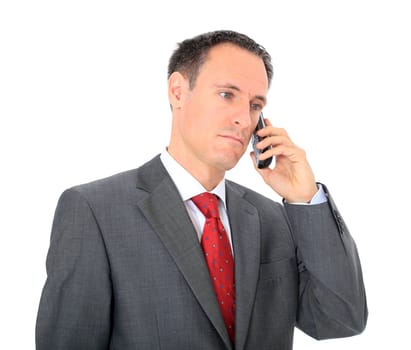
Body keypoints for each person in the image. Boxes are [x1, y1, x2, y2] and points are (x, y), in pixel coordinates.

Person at [35, 30, 367, 350]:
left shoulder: (274, 218)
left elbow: (340, 319)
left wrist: (305, 199)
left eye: (255, 105)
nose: (242, 118)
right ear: (178, 92)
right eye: (227, 95)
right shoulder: (94, 211)